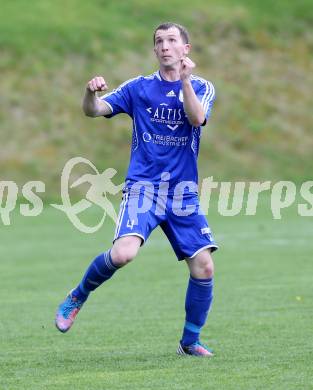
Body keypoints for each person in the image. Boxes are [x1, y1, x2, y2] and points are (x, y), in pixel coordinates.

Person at [55, 22, 218, 357]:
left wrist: (185, 80)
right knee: (122, 254)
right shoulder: (139, 88)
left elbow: (196, 118)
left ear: (186, 49)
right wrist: (90, 93)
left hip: (182, 193)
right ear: (155, 50)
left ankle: (189, 341)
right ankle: (77, 295)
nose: (165, 46)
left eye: (172, 40)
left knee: (204, 267)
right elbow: (94, 111)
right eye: (159, 41)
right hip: (144, 189)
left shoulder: (202, 87)